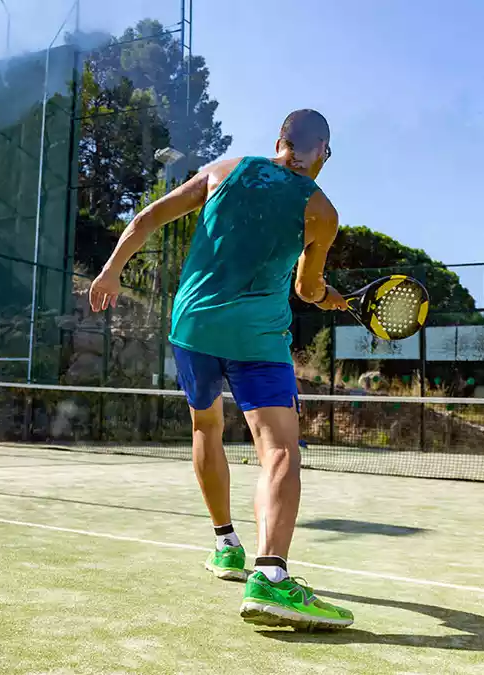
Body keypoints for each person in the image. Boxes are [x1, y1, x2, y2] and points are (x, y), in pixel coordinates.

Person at [89, 109, 354, 630]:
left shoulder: (223, 169)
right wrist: (326, 297)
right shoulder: (322, 211)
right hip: (256, 337)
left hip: (194, 328)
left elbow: (146, 219)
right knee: (279, 449)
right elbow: (305, 288)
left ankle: (225, 544)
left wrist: (111, 271)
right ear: (323, 154)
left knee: (205, 425)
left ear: (279, 141)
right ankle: (272, 576)